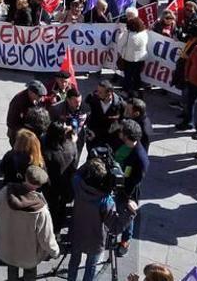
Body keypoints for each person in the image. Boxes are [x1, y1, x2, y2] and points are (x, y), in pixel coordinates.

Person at [67, 158, 138, 281]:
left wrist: (91, 162)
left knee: (73, 262)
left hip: (77, 234)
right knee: (91, 267)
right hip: (95, 240)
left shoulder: (78, 186)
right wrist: (130, 213)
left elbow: (77, 174)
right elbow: (115, 228)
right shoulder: (106, 201)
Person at [0, 165, 59, 281]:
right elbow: (46, 237)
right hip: (28, 252)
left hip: (8, 246)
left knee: (12, 269)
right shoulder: (41, 210)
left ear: (25, 177)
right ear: (39, 185)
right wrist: (55, 251)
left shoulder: (6, 192)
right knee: (29, 272)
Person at [114, 119, 150, 256]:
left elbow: (135, 180)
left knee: (127, 215)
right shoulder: (124, 144)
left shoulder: (141, 159)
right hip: (119, 183)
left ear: (127, 136)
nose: (119, 132)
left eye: (121, 131)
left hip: (128, 192)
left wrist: (128, 197)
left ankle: (125, 240)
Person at [116, 15, 149, 97]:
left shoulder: (128, 34)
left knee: (127, 76)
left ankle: (126, 92)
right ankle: (137, 90)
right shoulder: (144, 33)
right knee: (137, 75)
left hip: (129, 59)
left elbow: (120, 44)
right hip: (140, 59)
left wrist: (122, 33)